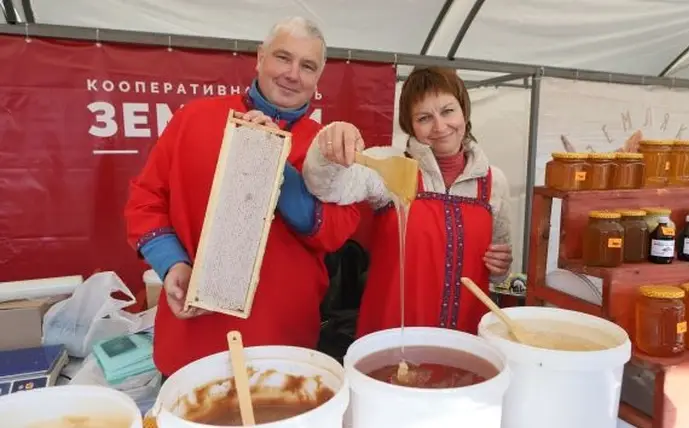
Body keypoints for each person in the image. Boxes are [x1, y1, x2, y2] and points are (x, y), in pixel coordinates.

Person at [124, 16, 361, 377]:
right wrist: (172, 263)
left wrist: (275, 168)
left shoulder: (325, 147)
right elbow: (146, 200)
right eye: (283, 58)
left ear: (318, 78)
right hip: (194, 335)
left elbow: (338, 230)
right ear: (260, 58)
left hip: (284, 340)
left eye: (307, 66)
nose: (293, 74)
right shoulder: (193, 118)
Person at [301, 66, 514, 337]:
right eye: (424, 117)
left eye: (448, 111)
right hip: (392, 337)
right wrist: (328, 145)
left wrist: (501, 267)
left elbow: (498, 272)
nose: (440, 127)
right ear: (410, 125)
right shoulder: (390, 166)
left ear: (464, 111)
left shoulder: (494, 182)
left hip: (466, 339)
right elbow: (324, 187)